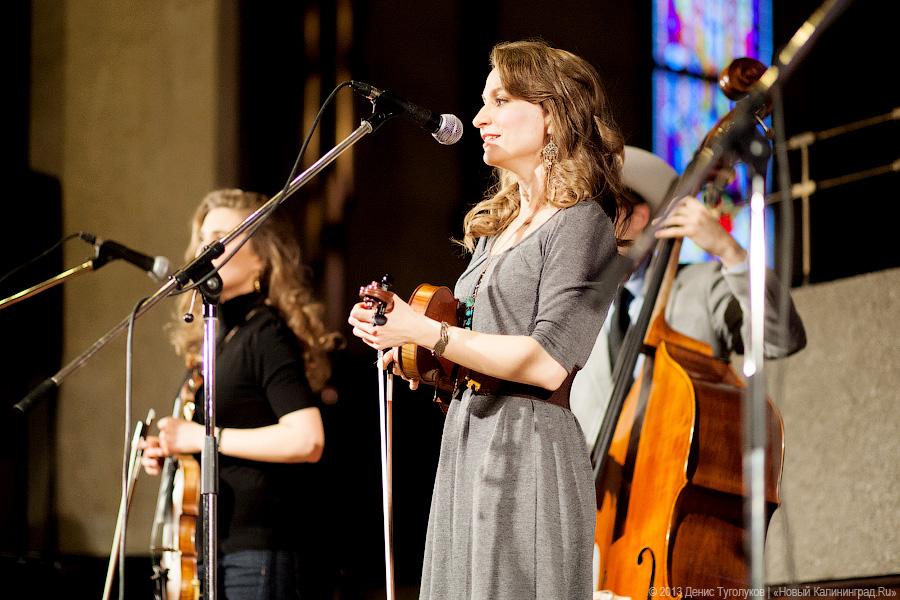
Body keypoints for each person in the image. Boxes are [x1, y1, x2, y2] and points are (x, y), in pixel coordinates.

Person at [348, 40, 636, 600]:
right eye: (484, 101)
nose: (480, 117)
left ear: (553, 115)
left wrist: (426, 331)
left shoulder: (583, 225)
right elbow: (474, 338)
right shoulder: (496, 229)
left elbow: (547, 363)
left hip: (530, 445)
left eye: (501, 100)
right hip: (468, 436)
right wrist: (408, 345)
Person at [141, 189, 339, 599]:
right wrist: (174, 450)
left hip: (260, 551)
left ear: (261, 259)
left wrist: (203, 440)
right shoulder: (220, 336)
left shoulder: (266, 334)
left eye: (222, 236)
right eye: (203, 236)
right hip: (212, 547)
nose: (205, 247)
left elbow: (307, 438)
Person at [570, 146, 807, 446]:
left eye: (600, 216)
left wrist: (730, 252)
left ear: (639, 216)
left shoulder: (704, 286)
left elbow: (782, 339)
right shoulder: (577, 308)